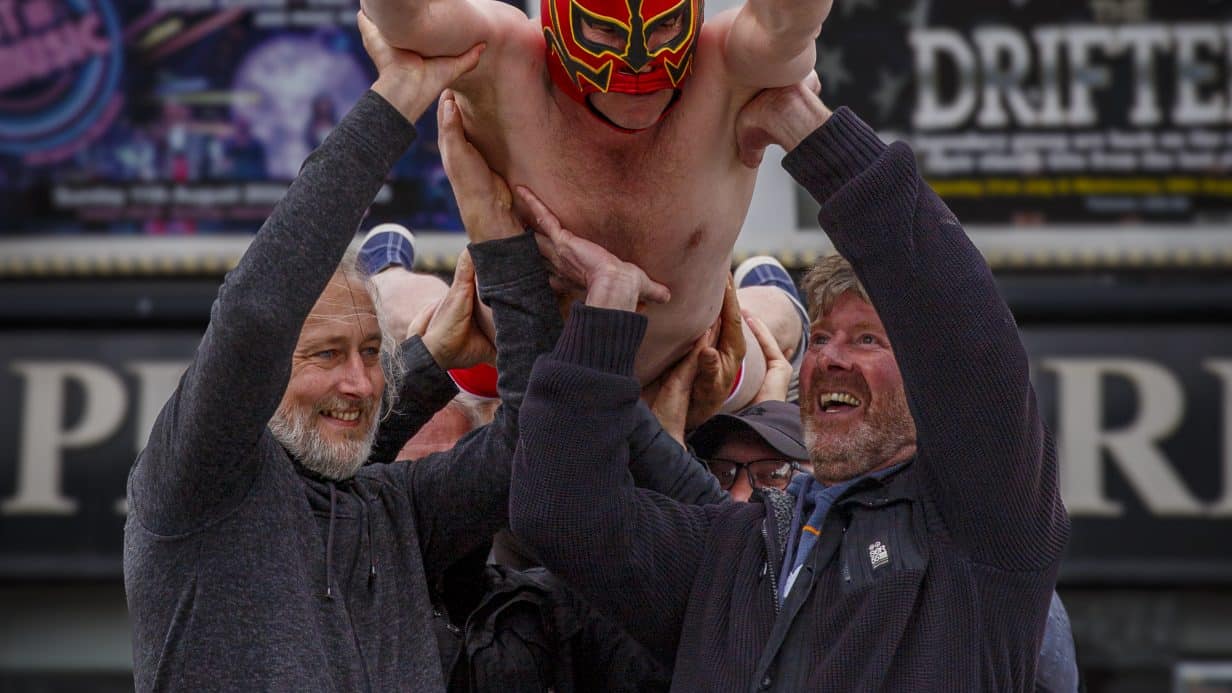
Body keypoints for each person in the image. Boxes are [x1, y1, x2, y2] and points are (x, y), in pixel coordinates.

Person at [509, 77, 1071, 689]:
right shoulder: (732, 551)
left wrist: (803, 124)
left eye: (867, 340)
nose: (829, 358)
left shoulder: (979, 530)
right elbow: (558, 512)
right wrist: (608, 305)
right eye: (822, 337)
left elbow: (967, 337)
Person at [123, 27, 560, 689]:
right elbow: (255, 315)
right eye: (326, 353)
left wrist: (499, 241)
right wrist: (395, 102)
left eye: (373, 353)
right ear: (268, 368)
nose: (358, 382)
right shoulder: (197, 481)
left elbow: (541, 438)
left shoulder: (395, 510)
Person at [358, 0, 822, 410]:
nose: (639, 61)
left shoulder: (730, 63)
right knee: (400, 311)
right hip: (497, 355)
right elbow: (409, 18)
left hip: (692, 364)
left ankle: (769, 286)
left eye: (664, 28)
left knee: (776, 322)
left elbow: (790, 20)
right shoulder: (505, 58)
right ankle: (387, 271)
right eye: (605, 32)